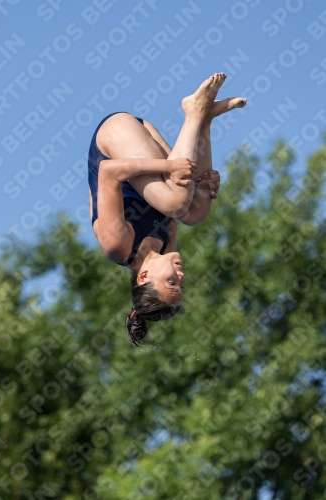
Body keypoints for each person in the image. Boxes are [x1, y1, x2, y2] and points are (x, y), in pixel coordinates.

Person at [88, 73, 247, 346]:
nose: (182, 276)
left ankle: (194, 112)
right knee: (195, 212)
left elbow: (108, 171)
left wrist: (168, 167)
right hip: (145, 145)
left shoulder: (117, 245)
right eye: (181, 284)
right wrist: (205, 185)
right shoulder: (164, 247)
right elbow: (185, 191)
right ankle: (205, 120)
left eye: (172, 283)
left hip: (114, 138)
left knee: (175, 203)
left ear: (144, 277)